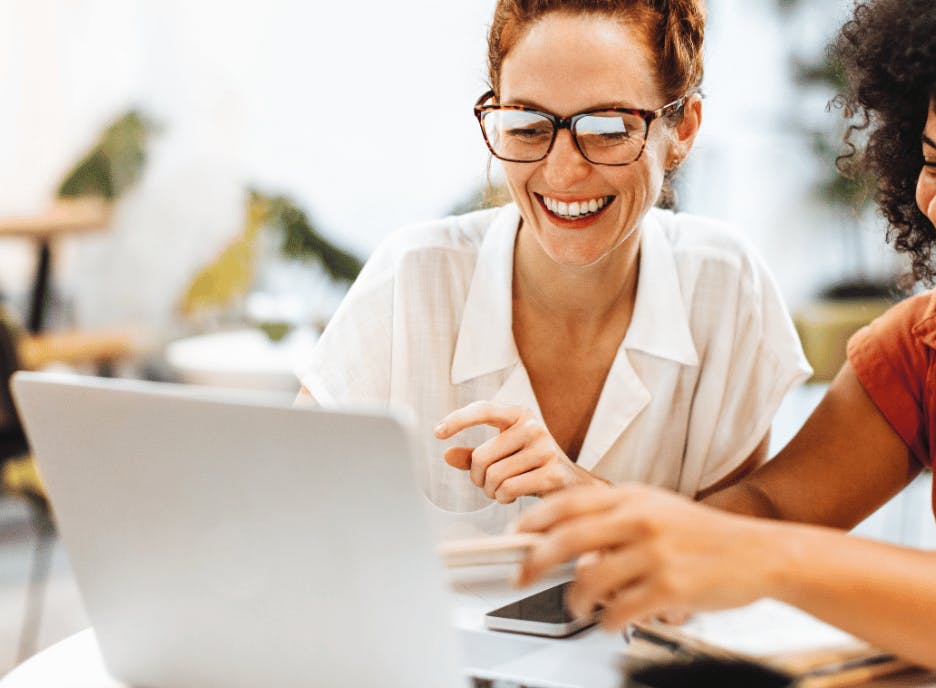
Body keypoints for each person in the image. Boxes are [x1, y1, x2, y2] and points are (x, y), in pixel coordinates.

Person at [515, 0, 936, 683]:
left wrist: (769, 557)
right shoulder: (929, 347)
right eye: (933, 163)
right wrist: (617, 520)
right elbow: (770, 508)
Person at [296, 0, 810, 536]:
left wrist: (588, 497)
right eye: (526, 126)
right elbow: (278, 517)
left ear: (682, 129)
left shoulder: (724, 286)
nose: (563, 173)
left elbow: (739, 561)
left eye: (609, 128)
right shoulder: (412, 279)